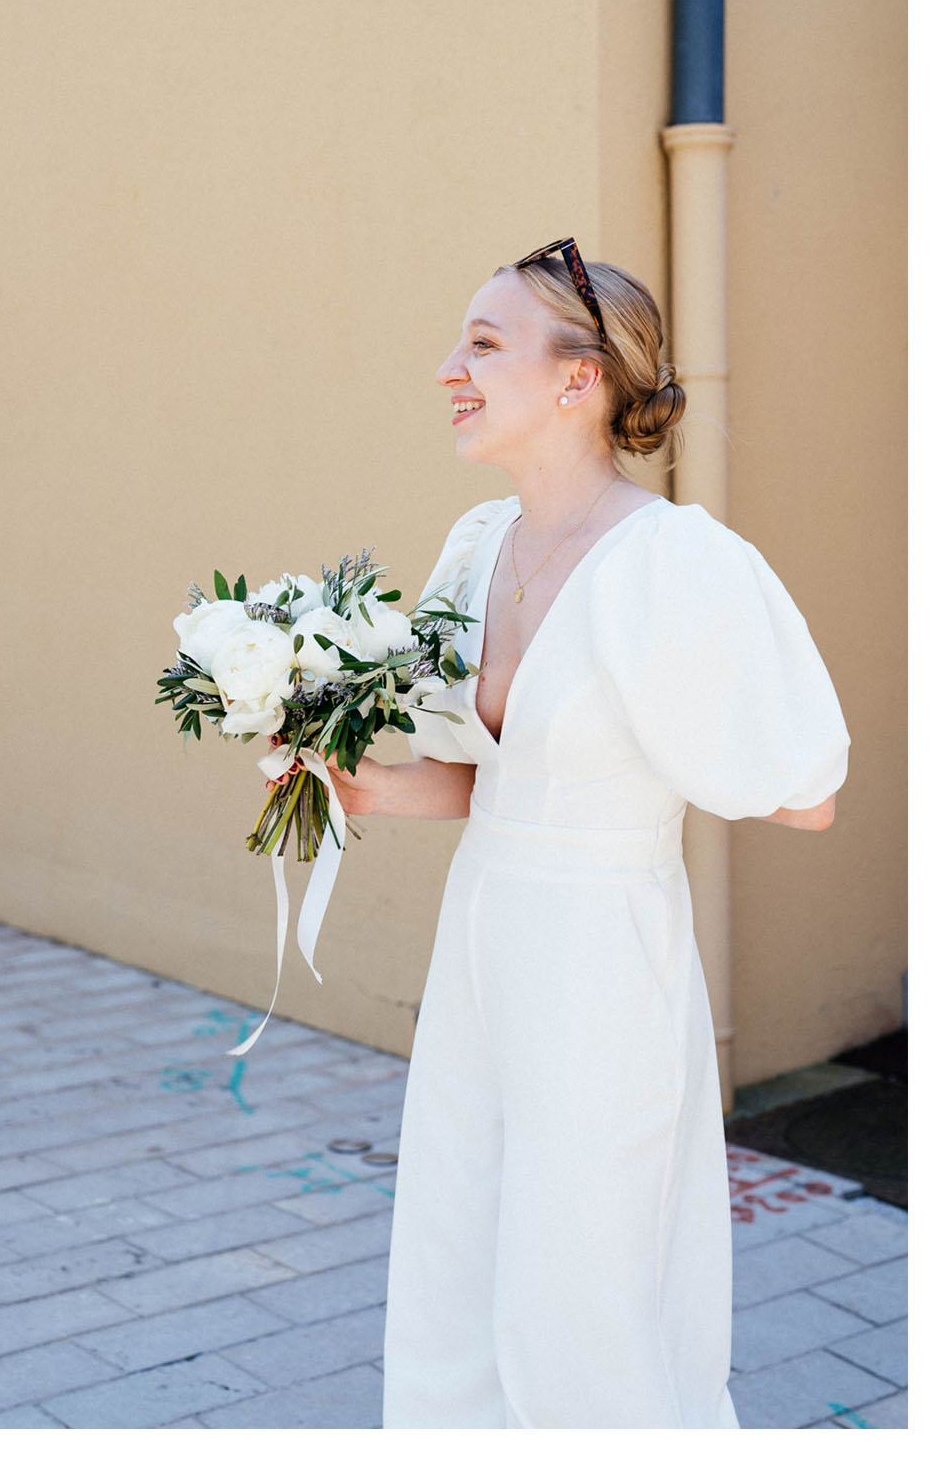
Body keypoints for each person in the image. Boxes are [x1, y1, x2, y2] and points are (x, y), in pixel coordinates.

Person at [326, 240, 848, 1427]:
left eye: (483, 343)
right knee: (460, 1247)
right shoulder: (475, 546)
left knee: (586, 1282)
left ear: (580, 380)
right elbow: (482, 781)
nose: (448, 367)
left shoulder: (680, 566)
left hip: (605, 958)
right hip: (482, 946)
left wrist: (668, 727)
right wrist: (349, 788)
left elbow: (801, 794)